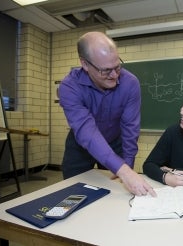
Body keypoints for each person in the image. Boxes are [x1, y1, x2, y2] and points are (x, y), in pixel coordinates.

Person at [59, 31, 155, 197]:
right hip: (80, 146)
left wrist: (127, 166)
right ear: (85, 64)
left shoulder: (130, 83)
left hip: (115, 142)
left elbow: (130, 128)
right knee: (73, 193)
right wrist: (124, 171)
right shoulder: (69, 87)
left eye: (117, 67)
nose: (115, 76)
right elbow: (87, 133)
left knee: (117, 193)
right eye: (106, 70)